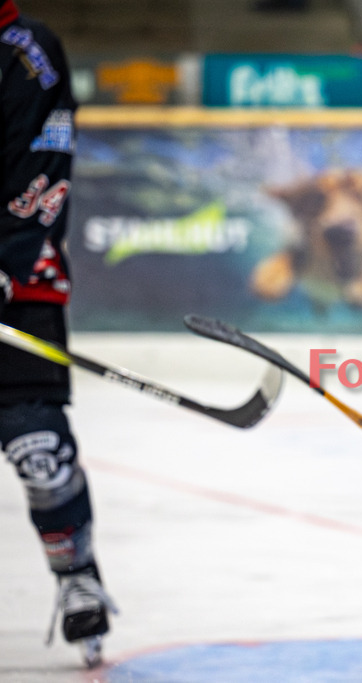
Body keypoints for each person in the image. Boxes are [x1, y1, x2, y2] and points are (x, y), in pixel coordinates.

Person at [1, 0, 116, 668]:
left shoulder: (27, 53)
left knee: (40, 450)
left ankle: (77, 573)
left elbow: (41, 176)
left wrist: (5, 263)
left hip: (19, 289)